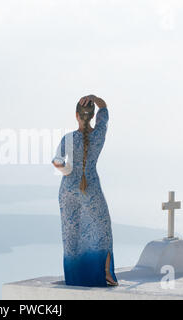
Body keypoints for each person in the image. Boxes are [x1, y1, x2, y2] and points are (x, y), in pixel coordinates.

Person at [52, 95, 118, 287]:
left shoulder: (69, 139)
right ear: (92, 116)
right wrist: (94, 97)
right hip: (90, 188)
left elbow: (57, 161)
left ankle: (74, 277)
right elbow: (104, 109)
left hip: (68, 189)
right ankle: (106, 273)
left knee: (71, 233)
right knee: (103, 229)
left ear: (76, 115)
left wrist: (66, 169)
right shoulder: (99, 136)